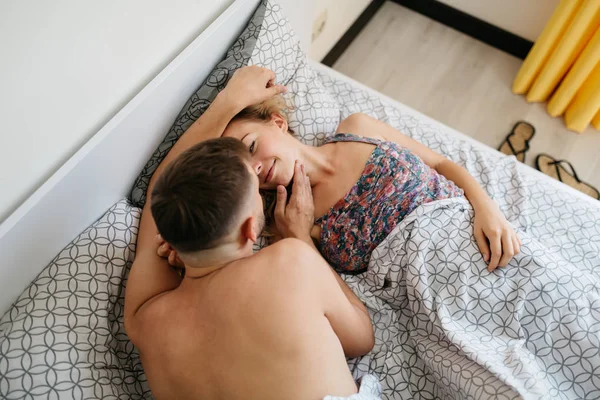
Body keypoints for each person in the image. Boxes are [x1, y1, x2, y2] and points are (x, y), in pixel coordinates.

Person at [123, 67, 378, 400]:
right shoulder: (290, 261)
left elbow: (163, 190)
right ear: (249, 231)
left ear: (170, 240)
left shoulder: (145, 319)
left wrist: (226, 106)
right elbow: (362, 339)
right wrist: (299, 238)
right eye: (257, 192)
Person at [158, 69, 521, 274]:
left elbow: (441, 164)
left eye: (251, 145)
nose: (254, 168)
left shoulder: (358, 129)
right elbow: (324, 290)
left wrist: (488, 209)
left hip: (477, 233)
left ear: (278, 122)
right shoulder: (284, 223)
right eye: (242, 170)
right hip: (436, 289)